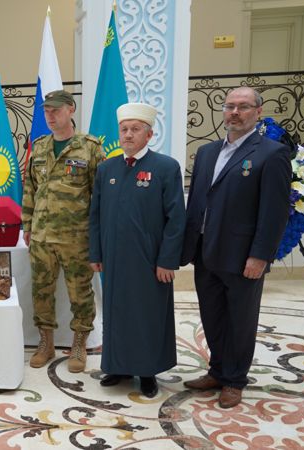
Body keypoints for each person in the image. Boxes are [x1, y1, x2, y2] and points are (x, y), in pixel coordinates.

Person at [180, 87, 291, 408]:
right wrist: (187, 246)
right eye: (230, 106)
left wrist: (260, 255)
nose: (235, 113)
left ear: (258, 111)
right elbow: (197, 201)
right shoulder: (206, 152)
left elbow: (274, 212)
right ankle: (217, 370)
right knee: (212, 315)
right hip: (205, 251)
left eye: (243, 107)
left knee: (240, 320)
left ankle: (234, 379)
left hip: (243, 256)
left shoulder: (271, 153)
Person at [89, 103, 186, 398]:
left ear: (149, 134)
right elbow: (95, 215)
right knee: (116, 313)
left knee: (147, 315)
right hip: (114, 259)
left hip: (150, 261)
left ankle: (147, 371)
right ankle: (117, 366)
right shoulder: (107, 169)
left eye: (135, 129)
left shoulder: (166, 167)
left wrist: (167, 260)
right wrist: (96, 253)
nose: (128, 135)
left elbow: (176, 219)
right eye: (124, 129)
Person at [21, 90, 103, 372]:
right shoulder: (39, 146)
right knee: (41, 291)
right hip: (42, 236)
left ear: (71, 109)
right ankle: (46, 343)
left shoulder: (89, 148)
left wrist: (97, 236)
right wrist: (28, 224)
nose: (50, 116)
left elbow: (99, 197)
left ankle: (79, 343)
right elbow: (30, 188)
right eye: (47, 111)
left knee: (80, 292)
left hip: (76, 238)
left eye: (56, 110)